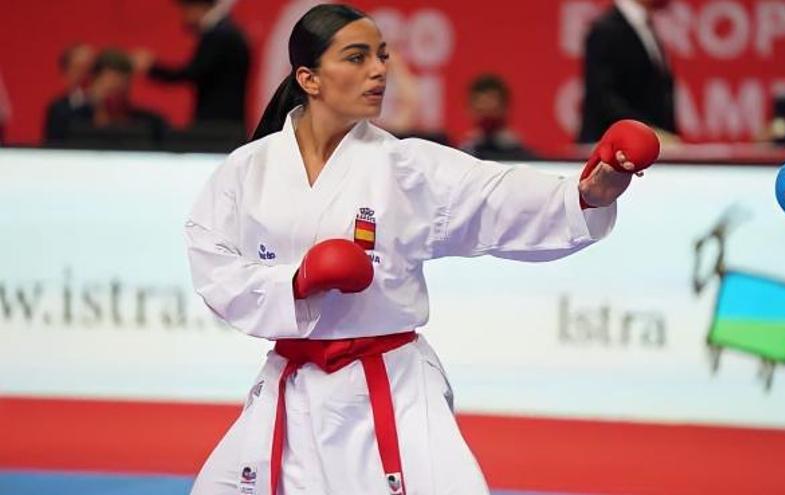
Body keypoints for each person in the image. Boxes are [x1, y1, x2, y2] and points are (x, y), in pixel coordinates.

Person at [184, 5, 655, 495]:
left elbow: (493, 196)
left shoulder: (405, 167)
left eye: (382, 56)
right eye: (357, 57)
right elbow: (212, 261)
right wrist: (294, 283)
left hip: (391, 384)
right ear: (310, 78)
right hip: (292, 384)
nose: (379, 69)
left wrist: (587, 194)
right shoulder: (248, 169)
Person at [133, 0, 250, 128]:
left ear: (196, 7)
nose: (184, 17)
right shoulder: (226, 32)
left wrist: (153, 68)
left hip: (218, 124)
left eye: (184, 10)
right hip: (226, 121)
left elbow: (194, 72)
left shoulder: (220, 35)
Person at [578, 0, 677, 144]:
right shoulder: (606, 29)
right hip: (612, 149)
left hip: (650, 147)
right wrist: (647, 131)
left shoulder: (646, 26)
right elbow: (602, 96)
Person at [67, 49, 167, 147]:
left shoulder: (150, 124)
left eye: (120, 84)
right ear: (94, 83)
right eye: (108, 84)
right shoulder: (70, 119)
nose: (114, 92)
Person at [459, 74, 537, 160]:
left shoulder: (523, 155)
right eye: (481, 111)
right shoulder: (462, 152)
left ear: (505, 109)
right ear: (470, 110)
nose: (486, 119)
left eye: (492, 111)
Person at [44, 43, 95, 143]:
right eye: (79, 68)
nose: (86, 75)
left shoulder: (112, 106)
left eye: (91, 69)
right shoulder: (58, 108)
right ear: (65, 73)